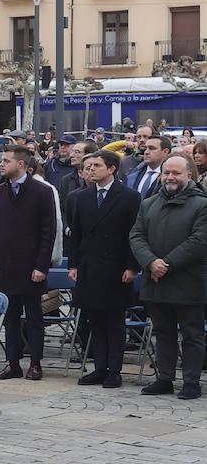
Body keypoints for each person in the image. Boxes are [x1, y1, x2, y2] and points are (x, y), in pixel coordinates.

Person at [129, 155, 207, 399]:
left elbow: (199, 240)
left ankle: (191, 382)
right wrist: (151, 262)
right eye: (167, 173)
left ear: (188, 176)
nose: (170, 177)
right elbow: (136, 236)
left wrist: (167, 264)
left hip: (189, 281)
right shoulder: (149, 203)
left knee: (192, 334)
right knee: (162, 332)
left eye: (176, 173)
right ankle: (165, 378)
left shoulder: (202, 204)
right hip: (156, 279)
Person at [67, 150, 139, 389]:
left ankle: (114, 370)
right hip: (89, 266)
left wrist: (132, 266)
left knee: (114, 322)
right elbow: (75, 234)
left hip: (116, 268)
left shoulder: (129, 197)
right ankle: (99, 367)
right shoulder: (82, 197)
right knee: (94, 320)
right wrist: (74, 264)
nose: (90, 170)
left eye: (96, 165)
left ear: (111, 169)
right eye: (88, 166)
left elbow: (133, 235)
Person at [0, 146, 57, 381]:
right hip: (5, 263)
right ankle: (12, 362)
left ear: (21, 165)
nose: (1, 164)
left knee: (34, 316)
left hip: (31, 265)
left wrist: (41, 266)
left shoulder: (42, 191)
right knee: (10, 318)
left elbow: (49, 233)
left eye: (6, 161)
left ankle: (35, 362)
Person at [126, 134, 169, 198]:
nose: (146, 152)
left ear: (165, 152)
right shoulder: (132, 174)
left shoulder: (170, 178)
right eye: (146, 148)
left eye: (152, 148)